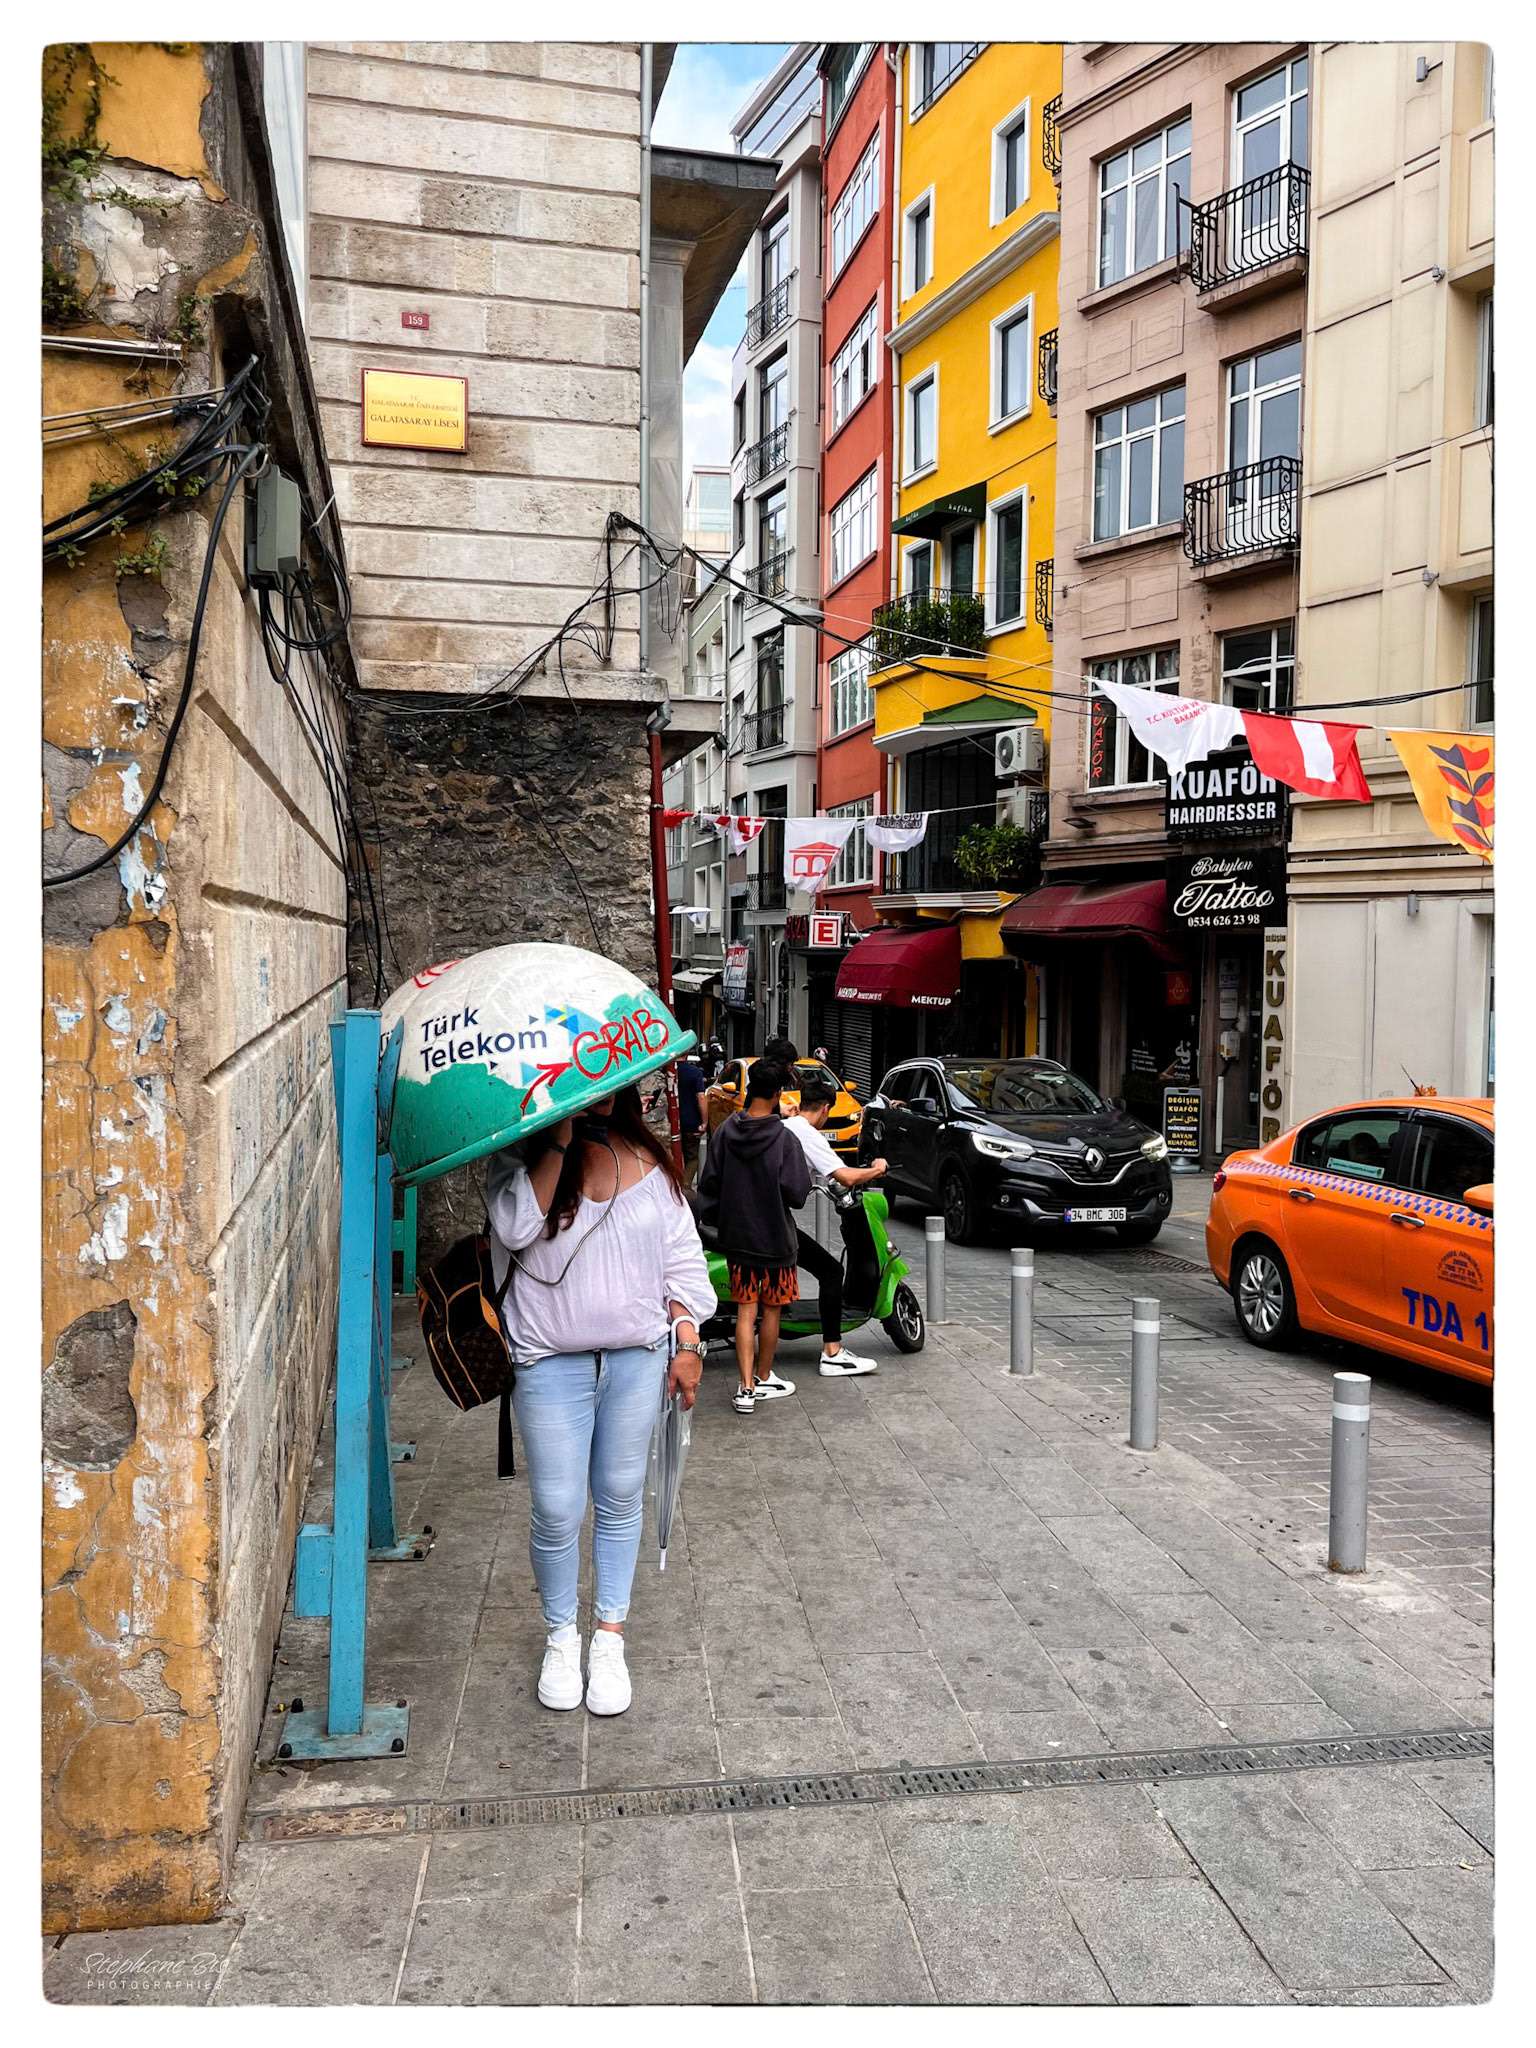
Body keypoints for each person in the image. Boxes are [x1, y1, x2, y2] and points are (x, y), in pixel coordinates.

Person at [485, 1084, 715, 1718]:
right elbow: (514, 1227)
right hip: (548, 1363)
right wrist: (559, 1137)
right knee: (557, 1508)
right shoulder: (516, 1159)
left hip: (636, 1360)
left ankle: (609, 1638)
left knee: (618, 1496)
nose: (599, 1095)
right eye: (581, 1085)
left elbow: (682, 1263)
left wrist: (687, 1341)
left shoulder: (651, 1163)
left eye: (609, 1081)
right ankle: (562, 1638)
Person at [696, 1057, 810, 1416]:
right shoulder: (784, 1138)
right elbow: (797, 1194)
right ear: (777, 1094)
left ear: (748, 1089)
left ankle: (745, 1388)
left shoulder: (726, 1132)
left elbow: (709, 1184)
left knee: (746, 1310)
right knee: (772, 1309)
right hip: (776, 1238)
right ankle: (763, 1377)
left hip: (738, 1238)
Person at [781, 1074, 888, 1376]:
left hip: (758, 1213)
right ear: (826, 1108)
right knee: (831, 1272)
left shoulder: (787, 1125)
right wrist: (876, 1169)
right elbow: (845, 1176)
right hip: (774, 1219)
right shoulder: (808, 1134)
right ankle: (832, 1352)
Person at [676, 1053, 707, 1185]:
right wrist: (705, 1122)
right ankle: (685, 1185)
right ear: (687, 1054)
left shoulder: (666, 1073)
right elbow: (701, 1097)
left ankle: (675, 1184)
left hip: (671, 1122)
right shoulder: (694, 1072)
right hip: (691, 1121)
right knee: (692, 1157)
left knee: (674, 1155)